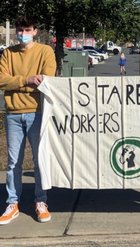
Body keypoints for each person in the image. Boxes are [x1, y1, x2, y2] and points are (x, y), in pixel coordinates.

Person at [0, 16, 56, 225]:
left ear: (35, 31)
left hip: (37, 112)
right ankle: (12, 203)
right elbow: (1, 79)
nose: (23, 33)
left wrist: (15, 82)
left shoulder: (45, 51)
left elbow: (46, 79)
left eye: (27, 29)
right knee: (13, 162)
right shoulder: (8, 53)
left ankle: (41, 201)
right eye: (20, 30)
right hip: (13, 113)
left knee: (39, 160)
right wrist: (26, 80)